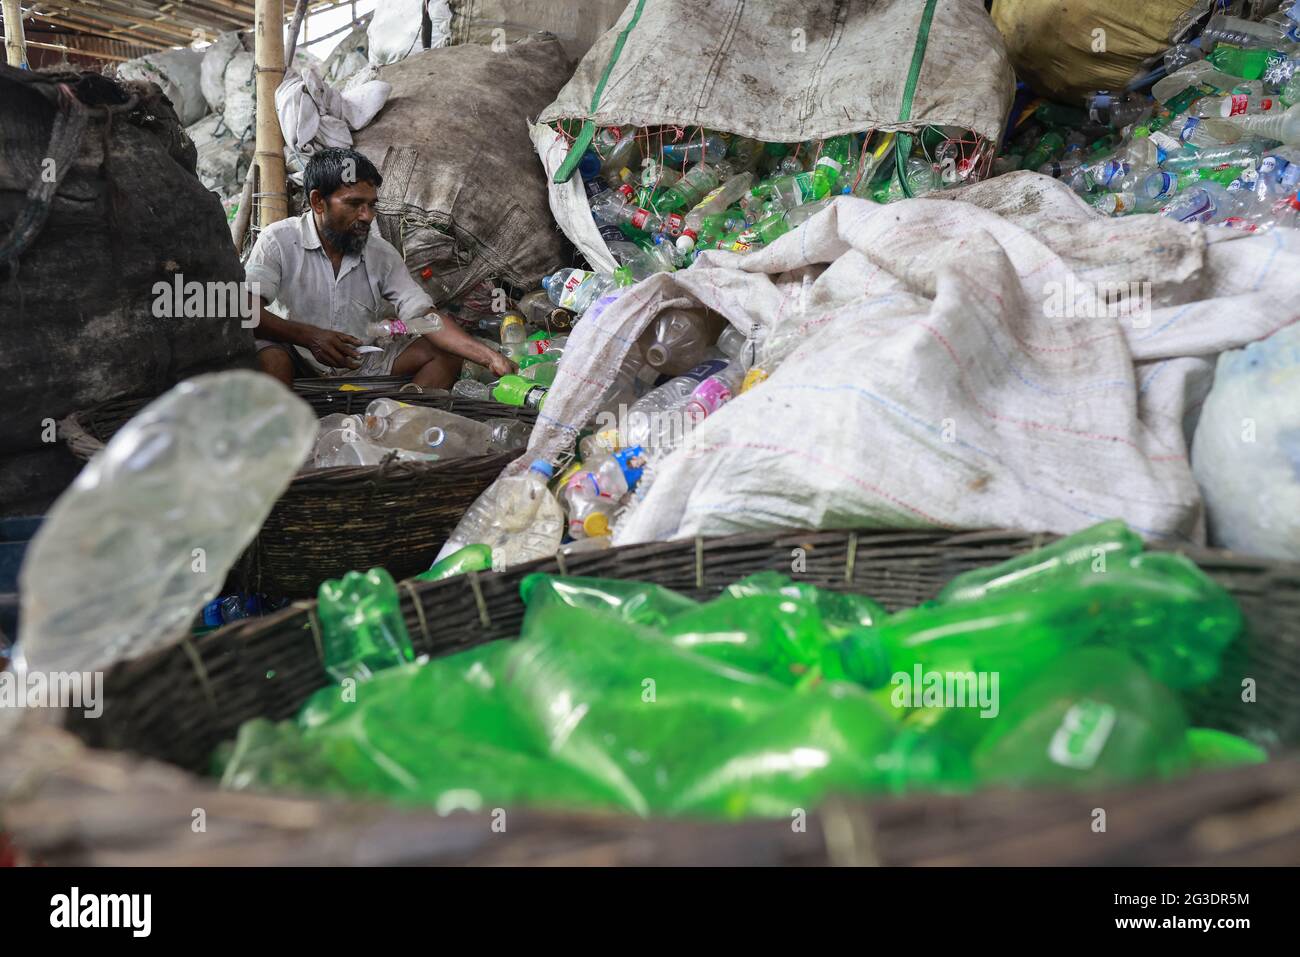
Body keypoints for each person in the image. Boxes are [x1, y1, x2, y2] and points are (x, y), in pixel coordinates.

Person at [245, 147, 515, 388]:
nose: (367, 216)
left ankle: (394, 423)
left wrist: (490, 357)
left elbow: (425, 317)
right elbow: (247, 313)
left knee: (445, 356)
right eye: (353, 204)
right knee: (269, 356)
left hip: (358, 365)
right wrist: (310, 337)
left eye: (371, 205)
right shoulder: (278, 240)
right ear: (318, 202)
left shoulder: (381, 254)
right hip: (298, 361)